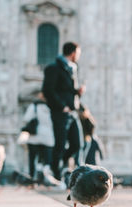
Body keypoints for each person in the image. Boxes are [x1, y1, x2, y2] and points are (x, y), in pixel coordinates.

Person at [42, 42, 86, 181]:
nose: (78, 56)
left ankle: (59, 165)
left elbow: (66, 90)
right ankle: (55, 173)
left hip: (72, 112)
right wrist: (62, 106)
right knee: (60, 144)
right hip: (60, 112)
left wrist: (77, 92)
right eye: (78, 53)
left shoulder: (71, 69)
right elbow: (48, 90)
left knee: (77, 144)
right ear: (73, 53)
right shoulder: (54, 68)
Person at [22, 91, 54, 183]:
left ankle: (32, 177)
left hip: (34, 137)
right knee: (45, 159)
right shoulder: (51, 107)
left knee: (32, 158)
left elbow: (26, 119)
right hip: (47, 137)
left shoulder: (34, 106)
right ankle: (44, 177)